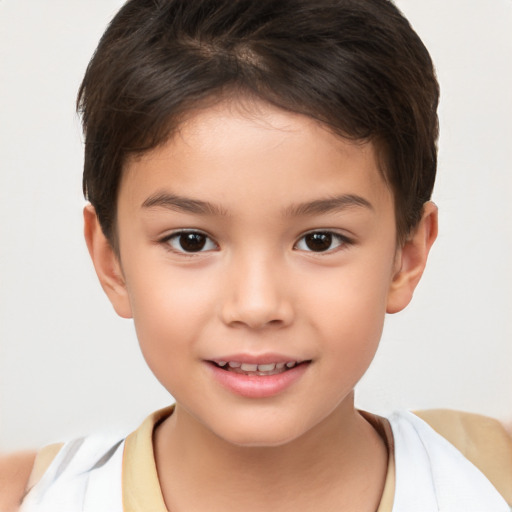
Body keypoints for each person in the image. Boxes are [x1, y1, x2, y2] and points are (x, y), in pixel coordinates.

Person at [1, 0, 511, 510]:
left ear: (407, 255)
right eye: (191, 240)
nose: (256, 305)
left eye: (319, 240)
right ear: (111, 261)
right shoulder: (26, 496)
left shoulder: (492, 477)